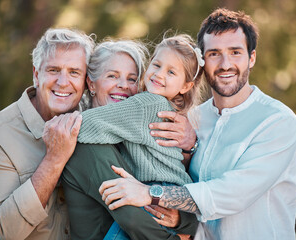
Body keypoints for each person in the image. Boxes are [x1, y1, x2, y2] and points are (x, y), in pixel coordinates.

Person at [99, 8, 296, 240]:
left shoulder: (277, 122)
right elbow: (177, 176)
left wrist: (149, 193)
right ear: (202, 62)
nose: (226, 64)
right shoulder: (190, 118)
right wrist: (178, 215)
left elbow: (230, 194)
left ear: (252, 57)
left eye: (235, 52)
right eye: (215, 54)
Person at [62, 35, 203, 240]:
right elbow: (132, 218)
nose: (124, 86)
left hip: (163, 189)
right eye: (112, 76)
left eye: (131, 78)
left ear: (185, 86)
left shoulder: (146, 105)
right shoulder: (90, 145)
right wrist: (59, 130)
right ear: (91, 84)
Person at [0, 28, 95, 239]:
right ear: (36, 75)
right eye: (54, 70)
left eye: (74, 72)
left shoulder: (92, 122)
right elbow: (7, 231)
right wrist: (55, 159)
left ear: (86, 81)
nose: (63, 82)